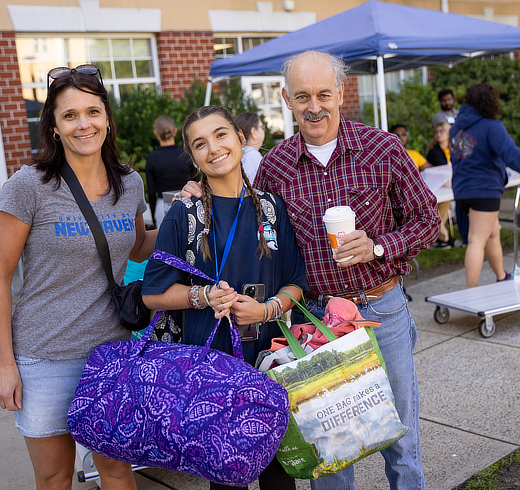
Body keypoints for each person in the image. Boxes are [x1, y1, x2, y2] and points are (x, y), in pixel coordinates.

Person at [183, 51, 440, 490]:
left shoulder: (383, 149)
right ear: (286, 98)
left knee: (400, 434)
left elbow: (427, 221)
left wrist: (377, 246)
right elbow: (251, 226)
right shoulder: (276, 166)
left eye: (324, 94)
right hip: (312, 319)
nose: (314, 106)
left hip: (380, 307)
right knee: (331, 447)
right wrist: (200, 194)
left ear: (341, 92)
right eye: (302, 96)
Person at [0, 64, 157, 490]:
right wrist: (5, 365)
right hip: (45, 356)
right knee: (56, 475)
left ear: (107, 118)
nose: (84, 124)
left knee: (116, 470)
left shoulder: (128, 183)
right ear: (55, 127)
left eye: (93, 112)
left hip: (111, 353)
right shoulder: (31, 185)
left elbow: (135, 247)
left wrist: (192, 213)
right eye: (70, 115)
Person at [141, 105, 307, 490]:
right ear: (193, 155)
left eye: (220, 135)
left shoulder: (271, 207)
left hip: (271, 361)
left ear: (240, 137)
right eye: (200, 143)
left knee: (280, 475)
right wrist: (203, 296)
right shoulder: (183, 213)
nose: (213, 148)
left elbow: (296, 280)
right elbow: (153, 293)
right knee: (226, 477)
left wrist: (268, 309)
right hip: (212, 368)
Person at [451, 82, 520, 288]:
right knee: (477, 240)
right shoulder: (491, 126)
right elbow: (511, 154)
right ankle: (470, 290)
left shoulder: (456, 127)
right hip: (484, 190)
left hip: (462, 190)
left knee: (493, 232)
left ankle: (501, 276)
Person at [145, 115, 197, 228]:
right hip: (187, 202)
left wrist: (154, 215)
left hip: (162, 205)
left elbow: (151, 192)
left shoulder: (152, 158)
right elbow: (196, 182)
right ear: (175, 131)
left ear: (156, 133)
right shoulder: (186, 155)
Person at [426, 122, 456, 249]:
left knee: (446, 203)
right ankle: (446, 237)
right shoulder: (434, 152)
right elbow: (442, 171)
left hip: (450, 187)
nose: (438, 134)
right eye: (436, 132)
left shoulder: (454, 149)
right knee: (439, 206)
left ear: (448, 133)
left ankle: (436, 235)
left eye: (441, 131)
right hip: (438, 187)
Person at [235, 111, 266, 183]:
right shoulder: (253, 156)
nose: (263, 131)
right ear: (254, 132)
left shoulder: (237, 154)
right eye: (262, 127)